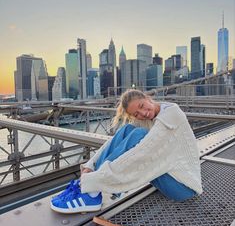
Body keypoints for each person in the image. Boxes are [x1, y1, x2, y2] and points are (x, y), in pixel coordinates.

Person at [50, 89, 203, 214]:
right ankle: (91, 188)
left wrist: (93, 179)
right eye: (136, 114)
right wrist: (90, 166)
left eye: (142, 106)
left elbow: (141, 153)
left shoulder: (171, 116)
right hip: (168, 175)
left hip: (183, 188)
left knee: (138, 135)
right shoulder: (147, 118)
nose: (142, 113)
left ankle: (92, 189)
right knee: (128, 129)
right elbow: (114, 141)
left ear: (148, 98)